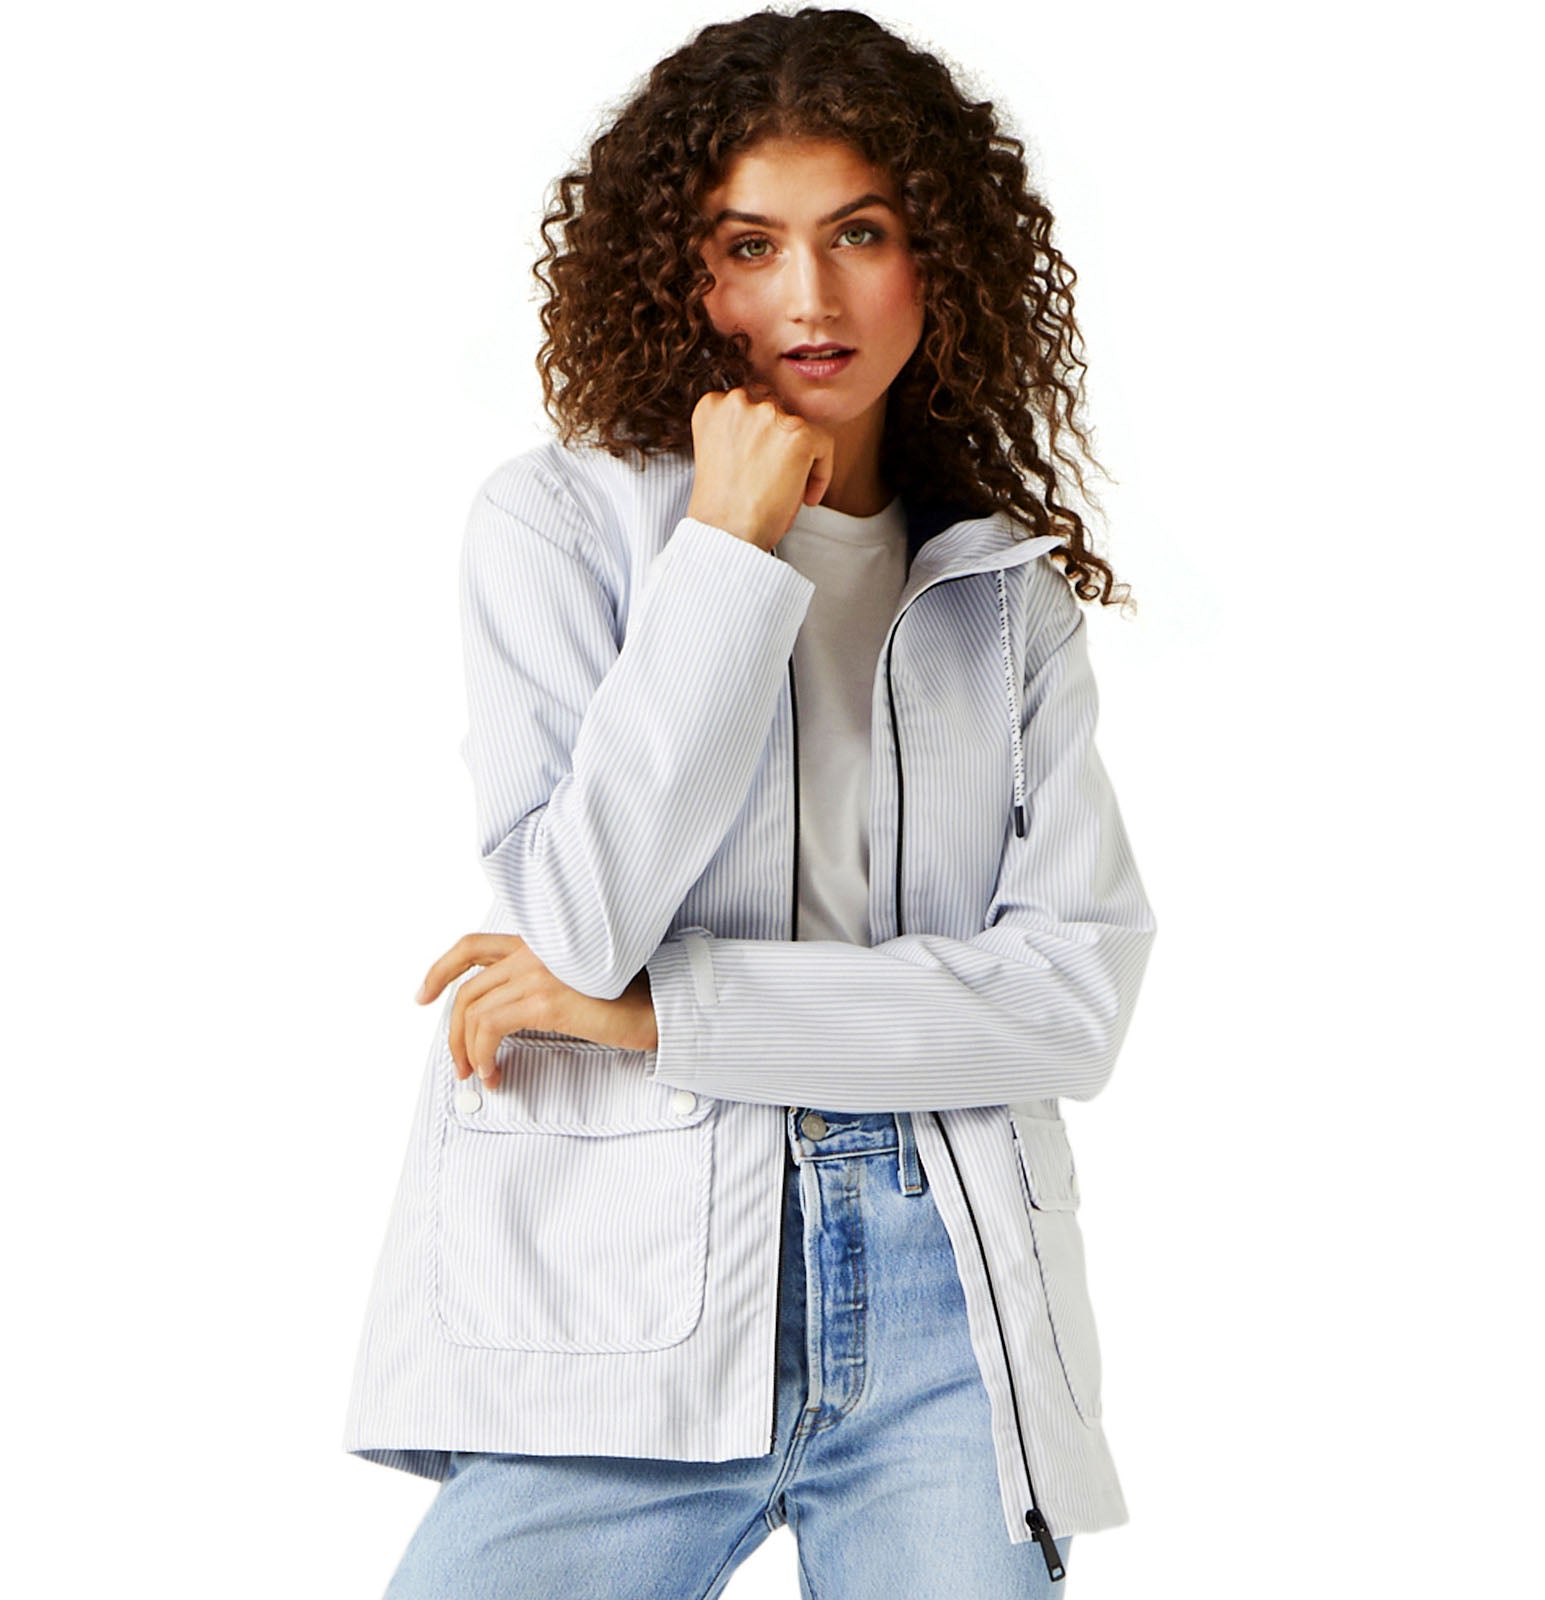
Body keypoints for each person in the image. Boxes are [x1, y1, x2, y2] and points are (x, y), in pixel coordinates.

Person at [342, 7, 1157, 1595]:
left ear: (940, 256)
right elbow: (580, 919)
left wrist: (666, 1015)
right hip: (620, 1282)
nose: (811, 299)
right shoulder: (558, 526)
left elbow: (1068, 1005)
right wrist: (723, 550)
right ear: (678, 269)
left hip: (944, 1293)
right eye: (749, 244)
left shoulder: (1003, 593)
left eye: (861, 232)